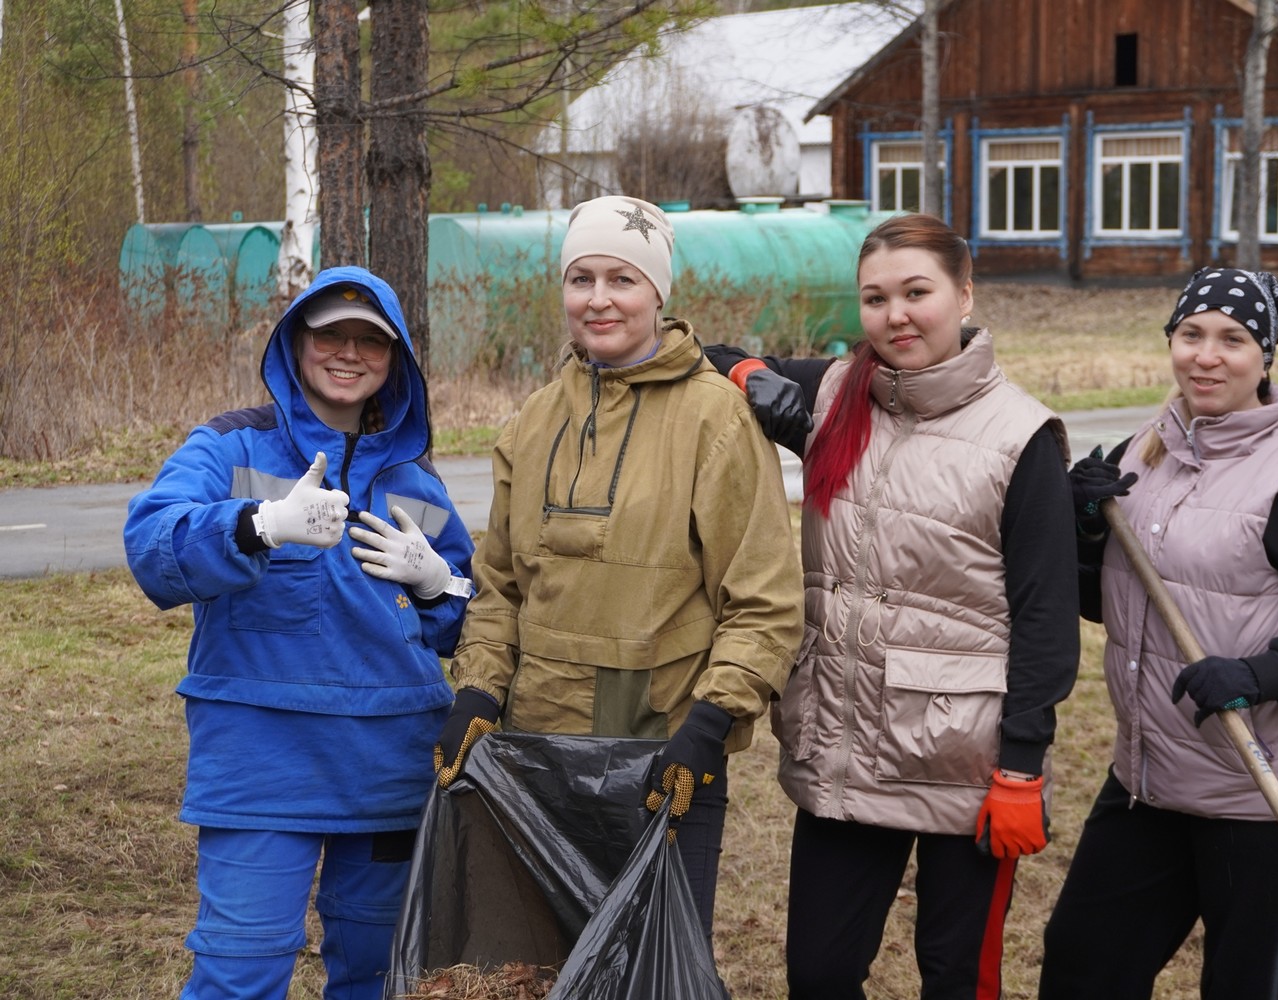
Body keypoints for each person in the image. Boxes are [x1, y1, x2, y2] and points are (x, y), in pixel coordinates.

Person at [704, 212, 1080, 1000]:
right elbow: (714, 357)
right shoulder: (836, 394)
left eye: (916, 293)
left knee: (956, 978)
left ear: (964, 295)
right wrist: (751, 378)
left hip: (968, 764)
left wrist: (1021, 769)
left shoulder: (1020, 438)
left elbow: (1046, 618)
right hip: (848, 749)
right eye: (875, 299)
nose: (895, 316)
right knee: (818, 974)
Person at [432, 195, 805, 945]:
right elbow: (501, 584)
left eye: (622, 279)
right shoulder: (534, 420)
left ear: (658, 293)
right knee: (546, 965)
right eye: (581, 279)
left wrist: (708, 726)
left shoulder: (717, 419)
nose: (598, 299)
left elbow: (764, 602)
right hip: (536, 754)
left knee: (652, 964)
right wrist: (477, 687)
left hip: (661, 761)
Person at [1038, 267, 1278, 1000]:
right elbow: (1116, 602)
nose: (1206, 356)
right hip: (1151, 777)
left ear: (1265, 357)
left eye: (1232, 340)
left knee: (1246, 986)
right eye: (1191, 334)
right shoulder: (1143, 453)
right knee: (1083, 964)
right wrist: (1082, 530)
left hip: (1264, 787)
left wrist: (1260, 675)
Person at [124, 266, 476, 999]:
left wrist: (437, 583)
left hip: (391, 766)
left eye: (369, 341)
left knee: (381, 973)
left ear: (396, 361)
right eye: (329, 335)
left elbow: (467, 621)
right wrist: (257, 525)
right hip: (260, 763)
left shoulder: (415, 480)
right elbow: (152, 546)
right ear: (293, 344)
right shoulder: (231, 448)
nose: (348, 353)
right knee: (241, 971)